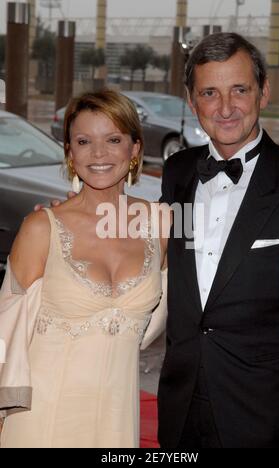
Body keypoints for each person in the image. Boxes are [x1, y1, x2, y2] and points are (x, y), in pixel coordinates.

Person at [0, 89, 168, 448]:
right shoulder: (41, 228)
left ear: (135, 149)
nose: (99, 154)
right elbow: (5, 332)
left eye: (113, 139)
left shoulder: (161, 224)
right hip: (40, 419)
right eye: (83, 141)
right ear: (70, 153)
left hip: (117, 419)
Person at [158, 32, 279, 448]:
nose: (225, 108)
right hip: (180, 408)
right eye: (209, 93)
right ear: (191, 100)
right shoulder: (177, 171)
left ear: (264, 92)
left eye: (239, 89)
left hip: (266, 415)